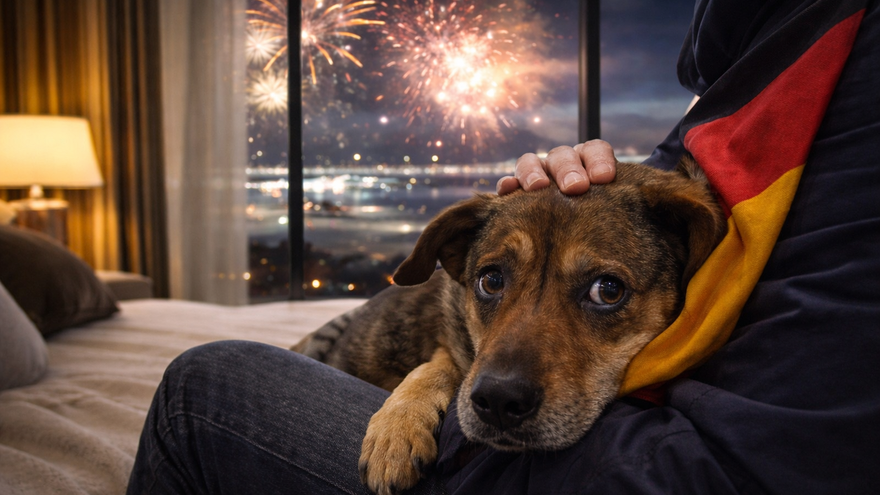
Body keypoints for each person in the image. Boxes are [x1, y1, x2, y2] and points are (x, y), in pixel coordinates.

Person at [127, 0, 880, 493]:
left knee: (203, 388)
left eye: (606, 292)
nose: (501, 379)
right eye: (492, 282)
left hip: (650, 468)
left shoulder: (852, 63)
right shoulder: (767, 66)